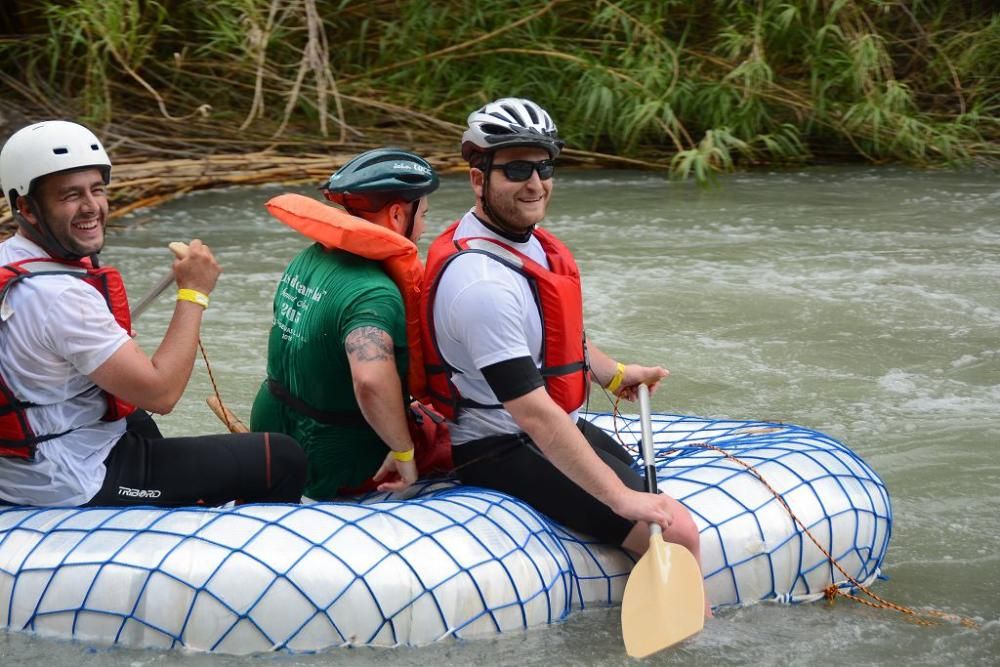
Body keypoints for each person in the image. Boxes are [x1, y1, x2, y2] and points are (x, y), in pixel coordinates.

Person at [420, 98, 708, 607]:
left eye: (543, 166)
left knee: (650, 500)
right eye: (516, 169)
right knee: (680, 531)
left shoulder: (518, 240)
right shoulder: (480, 284)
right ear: (477, 178)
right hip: (498, 446)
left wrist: (614, 374)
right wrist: (620, 499)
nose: (535, 183)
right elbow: (534, 416)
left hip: (550, 423)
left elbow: (552, 333)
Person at [0, 119, 307, 507]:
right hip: (67, 478)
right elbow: (162, 393)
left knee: (137, 417)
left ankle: (178, 500)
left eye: (97, 190)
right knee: (279, 457)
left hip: (24, 463)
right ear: (27, 207)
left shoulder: (10, 261)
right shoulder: (59, 297)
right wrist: (193, 293)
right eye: (70, 196)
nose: (91, 207)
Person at [251, 148, 449, 499]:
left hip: (271, 436)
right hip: (336, 459)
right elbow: (370, 380)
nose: (424, 226)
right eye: (424, 215)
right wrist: (403, 452)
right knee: (461, 439)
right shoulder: (375, 293)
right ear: (398, 213)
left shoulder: (310, 256)